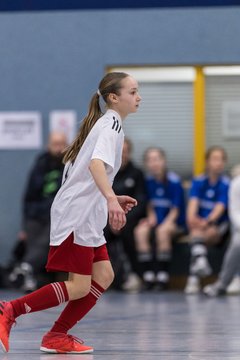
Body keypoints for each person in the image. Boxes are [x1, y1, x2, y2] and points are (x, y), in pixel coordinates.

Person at [0, 72, 141, 354]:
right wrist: (111, 199)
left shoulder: (109, 125)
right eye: (133, 91)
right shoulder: (110, 124)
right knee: (78, 286)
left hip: (87, 215)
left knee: (104, 275)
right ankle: (9, 309)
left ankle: (56, 336)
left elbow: (88, 171)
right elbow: (95, 166)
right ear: (114, 98)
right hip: (77, 215)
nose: (139, 97)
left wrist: (110, 197)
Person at [8, 132, 67, 292]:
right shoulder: (40, 164)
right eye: (55, 144)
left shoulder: (69, 165)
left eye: (62, 144)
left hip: (57, 215)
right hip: (36, 214)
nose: (59, 148)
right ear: (48, 145)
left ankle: (26, 267)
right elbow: (29, 197)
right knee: (34, 241)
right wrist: (24, 227)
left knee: (48, 237)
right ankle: (30, 273)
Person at [134, 147, 186, 291]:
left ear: (163, 161)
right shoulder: (148, 181)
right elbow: (149, 204)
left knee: (162, 232)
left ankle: (163, 277)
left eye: (156, 159)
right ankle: (148, 275)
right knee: (140, 231)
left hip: (173, 222)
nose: (153, 163)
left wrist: (167, 223)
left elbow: (176, 209)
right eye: (149, 160)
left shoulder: (173, 181)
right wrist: (151, 217)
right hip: (156, 220)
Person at [184, 146, 230, 295]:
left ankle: (193, 278)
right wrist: (192, 218)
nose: (219, 163)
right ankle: (200, 262)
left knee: (201, 235)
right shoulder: (199, 182)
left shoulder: (225, 183)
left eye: (221, 160)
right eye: (215, 159)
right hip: (200, 225)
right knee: (196, 232)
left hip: (218, 227)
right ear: (207, 162)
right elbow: (192, 205)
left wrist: (207, 221)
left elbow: (220, 208)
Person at [104, 138, 146, 291]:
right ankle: (102, 275)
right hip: (108, 218)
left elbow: (140, 202)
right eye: (120, 151)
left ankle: (135, 274)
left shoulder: (136, 173)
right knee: (99, 235)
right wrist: (112, 219)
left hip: (130, 218)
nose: (123, 155)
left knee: (129, 233)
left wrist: (122, 219)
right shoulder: (107, 174)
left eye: (126, 151)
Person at [203, 165, 240, 297]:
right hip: (239, 229)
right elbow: (234, 211)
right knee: (237, 243)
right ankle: (222, 284)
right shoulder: (236, 184)